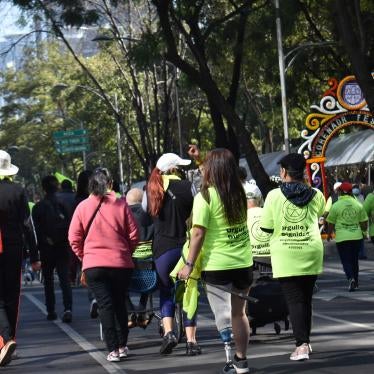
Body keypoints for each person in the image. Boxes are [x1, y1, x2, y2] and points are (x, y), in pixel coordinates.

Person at [178, 148, 253, 373]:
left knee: (222, 315)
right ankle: (241, 360)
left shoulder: (205, 197)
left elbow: (198, 234)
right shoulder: (240, 192)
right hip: (243, 263)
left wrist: (188, 264)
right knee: (239, 314)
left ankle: (230, 359)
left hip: (217, 265)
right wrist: (200, 158)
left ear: (212, 170)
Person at [260, 153, 325, 362]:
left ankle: (301, 345)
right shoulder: (316, 194)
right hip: (311, 251)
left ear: (284, 172)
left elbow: (266, 227)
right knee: (306, 299)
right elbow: (320, 216)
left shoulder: (273, 196)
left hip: (286, 254)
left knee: (294, 300)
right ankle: (305, 340)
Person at [69, 168, 139, 362]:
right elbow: (134, 235)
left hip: (94, 266)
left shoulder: (82, 207)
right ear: (109, 184)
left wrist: (85, 257)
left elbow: (73, 237)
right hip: (121, 263)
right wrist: (126, 252)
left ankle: (113, 349)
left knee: (105, 306)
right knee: (119, 303)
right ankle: (123, 345)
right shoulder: (120, 205)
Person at [145, 152, 199, 356]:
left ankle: (168, 333)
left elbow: (145, 214)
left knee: (166, 292)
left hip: (161, 251)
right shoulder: (187, 187)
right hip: (183, 248)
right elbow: (198, 214)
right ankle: (191, 341)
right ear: (174, 169)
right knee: (189, 292)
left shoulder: (150, 189)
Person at [0, 150, 39, 367]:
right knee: (12, 296)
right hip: (15, 250)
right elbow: (27, 225)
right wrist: (34, 255)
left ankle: (4, 341)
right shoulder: (17, 191)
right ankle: (10, 339)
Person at [32, 175, 73, 323]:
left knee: (48, 280)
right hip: (62, 246)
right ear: (57, 187)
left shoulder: (38, 207)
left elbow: (36, 230)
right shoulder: (63, 205)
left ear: (43, 188)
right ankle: (68, 308)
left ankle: (51, 310)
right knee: (64, 279)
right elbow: (70, 226)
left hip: (46, 248)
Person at [326, 182, 368, 291]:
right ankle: (356, 283)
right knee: (354, 261)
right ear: (350, 192)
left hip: (342, 238)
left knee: (346, 260)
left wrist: (329, 234)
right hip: (356, 237)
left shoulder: (336, 205)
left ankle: (351, 279)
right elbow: (364, 222)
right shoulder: (358, 204)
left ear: (340, 191)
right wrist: (363, 232)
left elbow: (331, 223)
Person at [125, 188, 154, 328]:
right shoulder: (151, 216)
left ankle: (130, 312)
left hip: (129, 271)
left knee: (119, 284)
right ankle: (142, 309)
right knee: (147, 281)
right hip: (151, 271)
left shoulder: (123, 216)